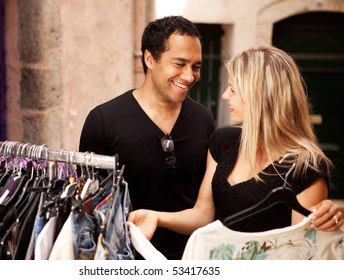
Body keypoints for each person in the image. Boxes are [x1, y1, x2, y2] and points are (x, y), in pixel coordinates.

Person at [128, 46, 343, 246]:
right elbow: (203, 215)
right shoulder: (224, 142)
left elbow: (298, 252)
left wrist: (326, 223)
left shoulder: (305, 169)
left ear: (258, 96)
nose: (224, 95)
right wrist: (156, 216)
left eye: (232, 89)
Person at [78, 16, 216, 259]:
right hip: (124, 259)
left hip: (191, 259)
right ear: (150, 58)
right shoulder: (103, 121)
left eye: (195, 66)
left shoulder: (204, 120)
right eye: (179, 63)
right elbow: (88, 209)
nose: (189, 75)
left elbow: (206, 208)